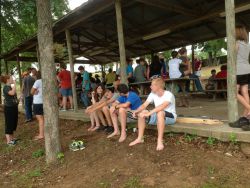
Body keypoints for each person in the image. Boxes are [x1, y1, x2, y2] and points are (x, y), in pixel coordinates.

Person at [129, 78, 176, 151]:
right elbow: (144, 105)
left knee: (160, 112)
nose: (150, 86)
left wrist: (149, 114)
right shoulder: (152, 94)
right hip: (158, 116)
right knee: (142, 112)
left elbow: (162, 106)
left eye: (152, 85)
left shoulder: (169, 94)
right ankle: (140, 138)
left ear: (158, 86)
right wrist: (136, 111)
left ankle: (159, 141)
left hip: (170, 117)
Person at [235, 25, 250, 125]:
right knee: (244, 92)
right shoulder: (247, 44)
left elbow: (232, 57)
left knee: (233, 93)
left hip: (238, 70)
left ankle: (249, 109)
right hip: (247, 69)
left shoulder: (236, 43)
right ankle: (245, 116)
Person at [0, 75, 19, 146]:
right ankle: (8, 141)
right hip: (9, 108)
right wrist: (14, 84)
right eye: (11, 78)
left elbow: (13, 95)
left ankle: (12, 138)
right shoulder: (5, 87)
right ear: (7, 80)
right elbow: (12, 93)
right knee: (9, 123)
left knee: (13, 122)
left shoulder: (9, 87)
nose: (12, 79)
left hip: (13, 107)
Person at [31, 71, 44, 140]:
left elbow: (31, 92)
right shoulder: (47, 80)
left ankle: (41, 134)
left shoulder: (38, 81)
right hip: (45, 102)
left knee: (40, 119)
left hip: (38, 102)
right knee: (44, 119)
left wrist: (34, 92)